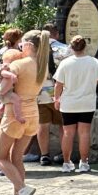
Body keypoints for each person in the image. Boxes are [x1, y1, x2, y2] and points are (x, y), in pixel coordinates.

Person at [0, 29, 49, 195]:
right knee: (17, 157)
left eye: (22, 43)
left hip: (14, 115)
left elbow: (2, 89)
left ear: (28, 45)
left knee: (0, 157)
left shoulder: (19, 65)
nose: (19, 46)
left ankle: (22, 189)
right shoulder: (42, 66)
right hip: (33, 112)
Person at [53, 35, 98, 173]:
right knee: (84, 133)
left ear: (71, 47)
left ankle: (66, 163)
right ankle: (84, 163)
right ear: (85, 46)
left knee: (68, 133)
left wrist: (56, 99)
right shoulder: (94, 62)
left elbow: (58, 84)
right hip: (87, 103)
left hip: (68, 103)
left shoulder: (65, 63)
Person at [29, 23, 70, 166]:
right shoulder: (65, 50)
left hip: (40, 94)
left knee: (42, 125)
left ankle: (44, 156)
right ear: (56, 34)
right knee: (63, 125)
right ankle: (64, 154)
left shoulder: (36, 51)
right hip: (60, 94)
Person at [0, 28, 23, 174]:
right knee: (8, 133)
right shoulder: (17, 55)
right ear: (19, 39)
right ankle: (5, 163)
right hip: (9, 98)